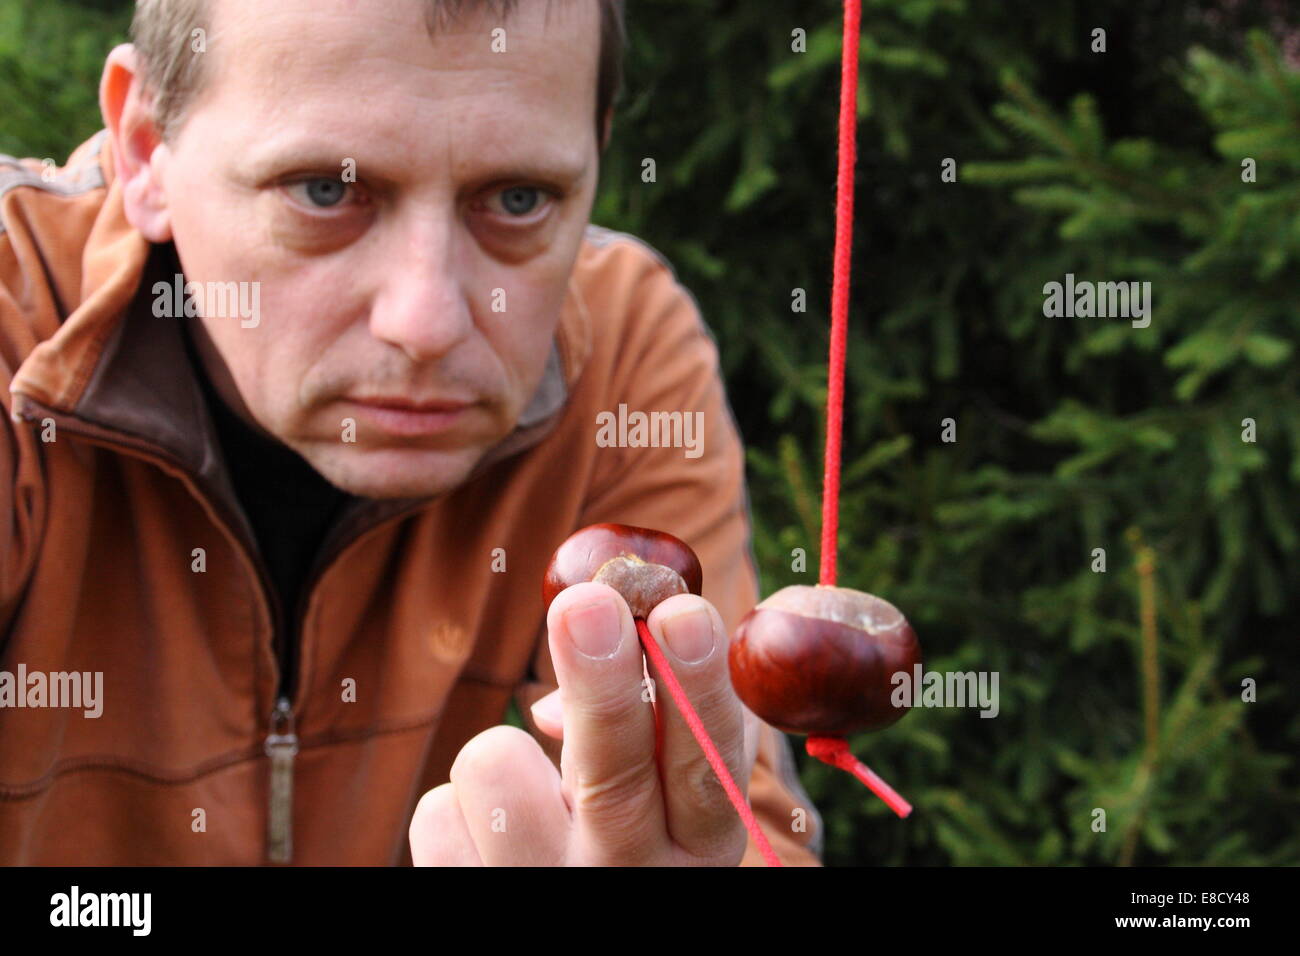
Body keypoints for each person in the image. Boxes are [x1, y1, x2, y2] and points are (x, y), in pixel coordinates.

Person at [0, 0, 823, 865]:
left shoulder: (618, 346)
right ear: (144, 148)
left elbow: (738, 818)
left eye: (518, 198)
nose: (427, 321)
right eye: (324, 191)